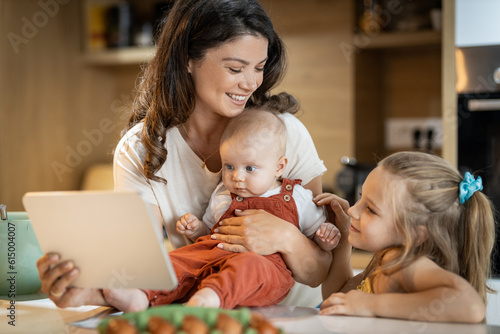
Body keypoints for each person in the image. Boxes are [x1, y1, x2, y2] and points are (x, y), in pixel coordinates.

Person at [36, 0, 344, 311]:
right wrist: (87, 282)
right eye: (235, 68)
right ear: (187, 59)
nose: (250, 82)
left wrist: (285, 237)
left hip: (289, 319)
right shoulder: (141, 147)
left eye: (259, 67)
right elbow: (139, 263)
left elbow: (318, 271)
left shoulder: (282, 134)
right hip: (198, 314)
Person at [139, 105, 341, 309]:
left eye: (250, 168)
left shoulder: (297, 197)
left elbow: (317, 238)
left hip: (267, 267)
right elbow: (209, 231)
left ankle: (212, 297)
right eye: (229, 166)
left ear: (279, 167)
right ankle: (141, 293)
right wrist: (196, 228)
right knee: (180, 258)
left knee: (249, 266)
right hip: (216, 256)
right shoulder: (222, 196)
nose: (237, 177)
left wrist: (326, 237)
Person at [316, 151, 495, 323]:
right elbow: (338, 297)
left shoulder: (405, 264)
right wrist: (343, 234)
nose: (351, 210)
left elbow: (471, 306)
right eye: (361, 197)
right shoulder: (385, 259)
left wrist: (370, 305)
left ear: (417, 234)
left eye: (370, 209)